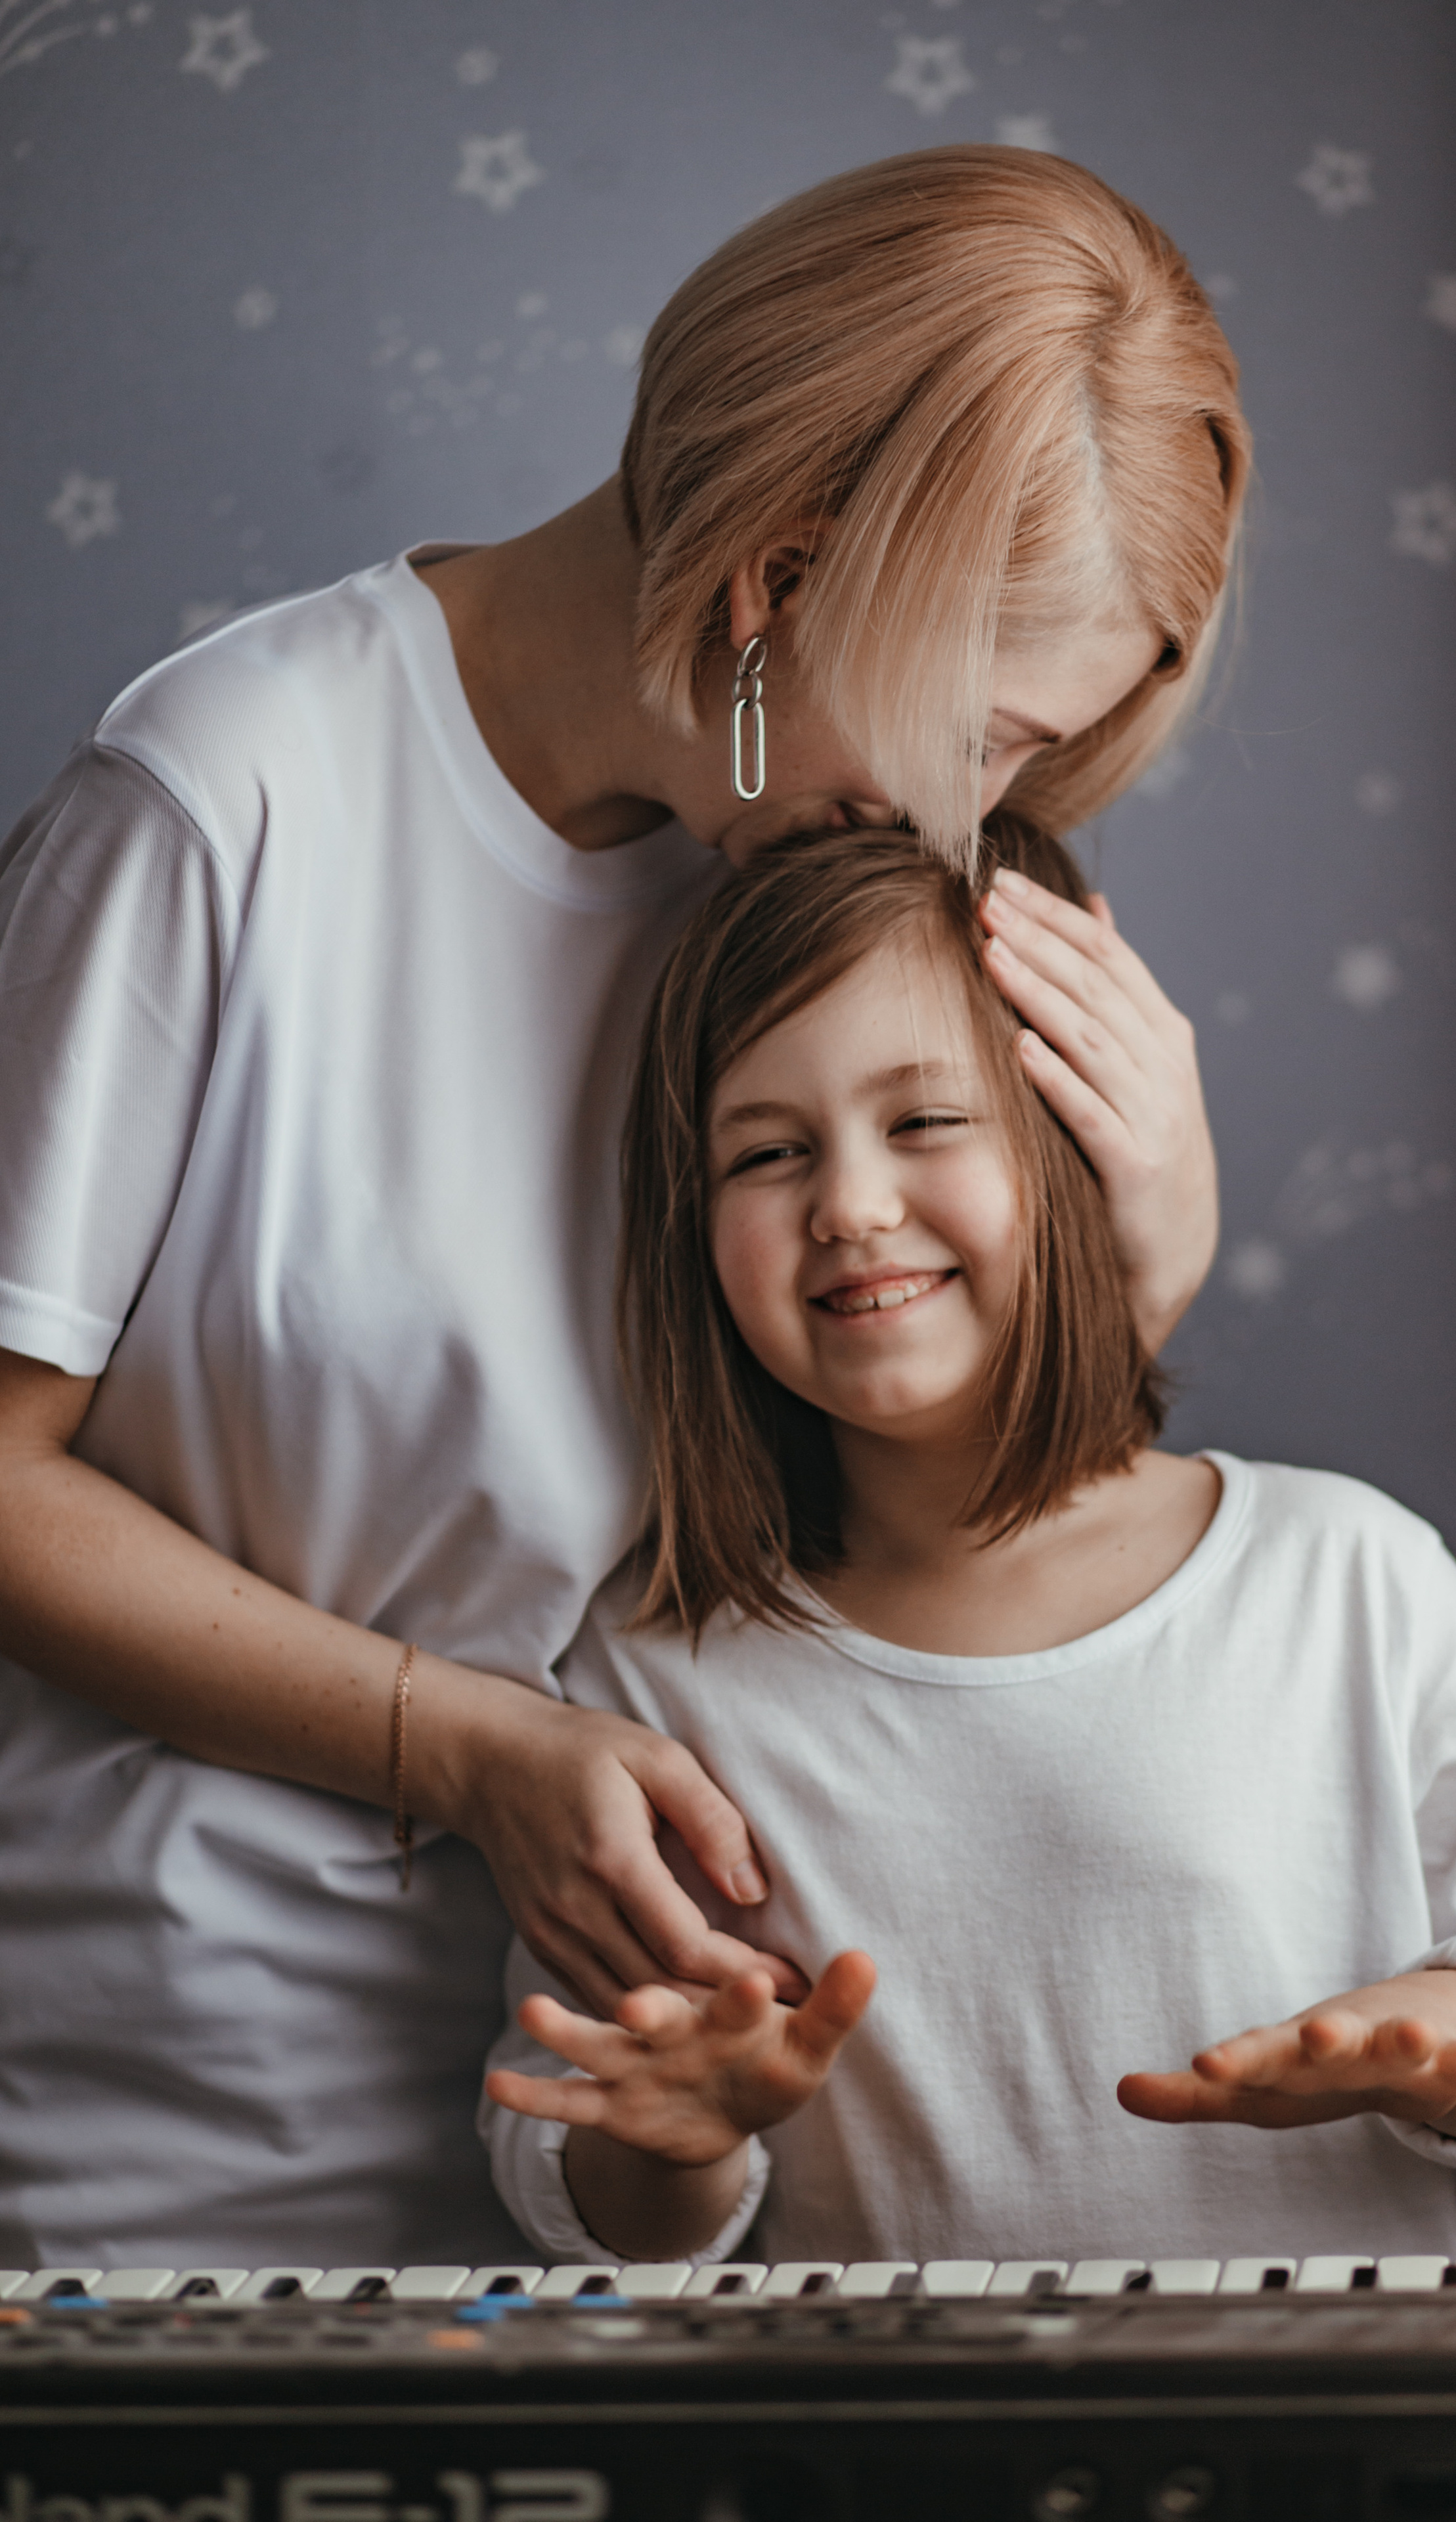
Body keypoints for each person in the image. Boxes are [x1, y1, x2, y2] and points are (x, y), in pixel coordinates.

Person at [0, 147, 1248, 2263]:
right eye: (972, 741)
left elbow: (890, 1520)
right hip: (175, 2159)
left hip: (671, 2185)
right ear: (778, 573)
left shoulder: (790, 882)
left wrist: (1142, 1269)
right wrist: (462, 1746)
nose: (971, 834)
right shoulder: (229, 799)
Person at [481, 820, 1456, 2270]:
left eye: (924, 1123)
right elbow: (578, 2155)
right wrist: (671, 2138)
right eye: (766, 1151)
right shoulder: (647, 1669)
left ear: (1079, 1145)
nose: (850, 1207)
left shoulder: (1338, 1574)